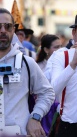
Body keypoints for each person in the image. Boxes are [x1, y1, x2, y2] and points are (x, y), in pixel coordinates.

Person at [0, 8, 55, 136]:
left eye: (7, 26)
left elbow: (47, 93)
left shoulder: (27, 63)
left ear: (13, 29)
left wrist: (35, 117)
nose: (2, 30)